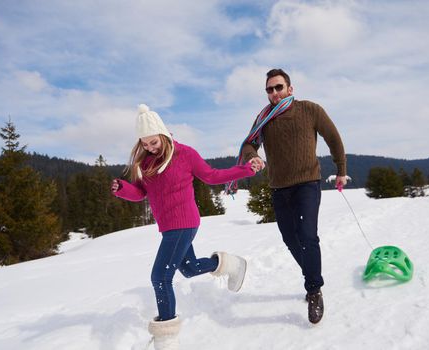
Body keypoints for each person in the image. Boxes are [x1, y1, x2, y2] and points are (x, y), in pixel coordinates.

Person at [111, 104, 258, 350]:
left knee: (160, 277)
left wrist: (245, 169)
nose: (150, 147)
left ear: (163, 134)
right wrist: (124, 189)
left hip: (185, 222)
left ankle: (167, 339)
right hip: (168, 227)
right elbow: (142, 193)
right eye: (145, 144)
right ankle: (231, 264)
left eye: (153, 142)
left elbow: (211, 176)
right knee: (188, 269)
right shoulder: (146, 163)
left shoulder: (185, 154)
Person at [240, 68, 347, 324]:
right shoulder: (264, 118)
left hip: (308, 183)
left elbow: (333, 138)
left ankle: (313, 290)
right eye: (269, 89)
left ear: (290, 88)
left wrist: (341, 169)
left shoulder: (310, 110)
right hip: (279, 187)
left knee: (308, 236)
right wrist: (252, 156)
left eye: (279, 87)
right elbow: (248, 143)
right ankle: (311, 273)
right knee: (290, 238)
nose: (274, 93)